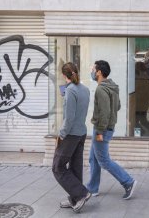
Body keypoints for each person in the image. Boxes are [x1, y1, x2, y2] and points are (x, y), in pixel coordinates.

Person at [87, 60, 137, 200]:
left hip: (101, 129)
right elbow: (118, 106)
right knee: (93, 158)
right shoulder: (112, 86)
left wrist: (100, 132)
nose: (91, 71)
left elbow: (104, 112)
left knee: (103, 160)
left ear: (99, 72)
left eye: (93, 69)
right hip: (107, 127)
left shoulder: (101, 89)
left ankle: (128, 182)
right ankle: (92, 188)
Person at [52, 62, 91, 213]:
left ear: (64, 75)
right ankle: (75, 198)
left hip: (71, 134)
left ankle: (81, 193)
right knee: (75, 166)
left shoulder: (70, 91)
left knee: (58, 167)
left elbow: (69, 118)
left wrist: (61, 135)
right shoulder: (85, 89)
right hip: (81, 132)